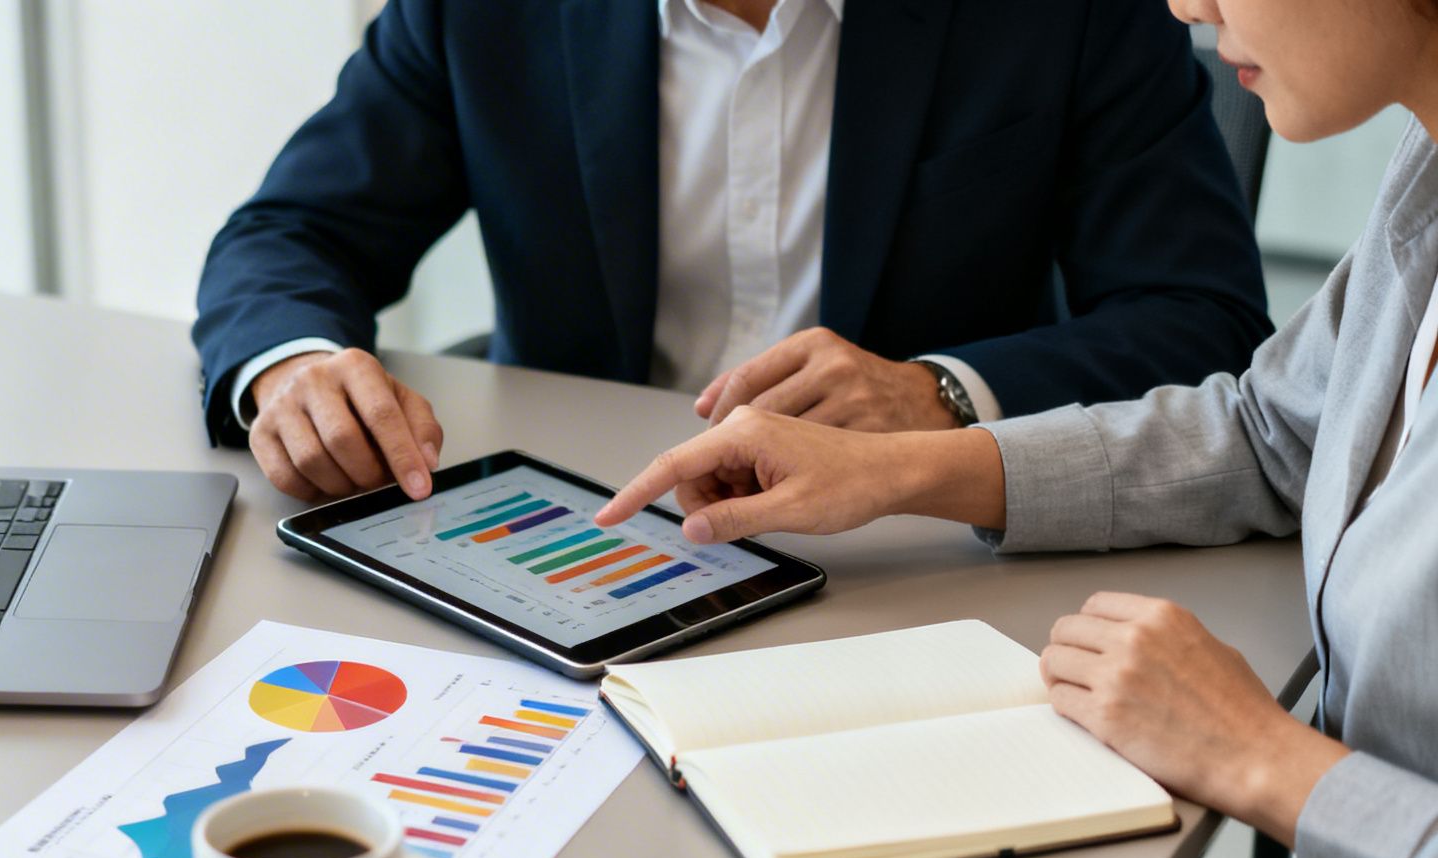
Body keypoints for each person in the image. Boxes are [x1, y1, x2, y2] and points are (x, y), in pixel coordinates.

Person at [596, 0, 1438, 858]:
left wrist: (1262, 761)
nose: (1184, 3)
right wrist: (902, 470)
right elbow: (1266, 429)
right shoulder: (1424, 168)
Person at [192, 0, 1273, 503]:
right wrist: (289, 367)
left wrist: (935, 393)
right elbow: (292, 232)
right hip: (578, 526)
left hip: (915, 546)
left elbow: (1201, 317)